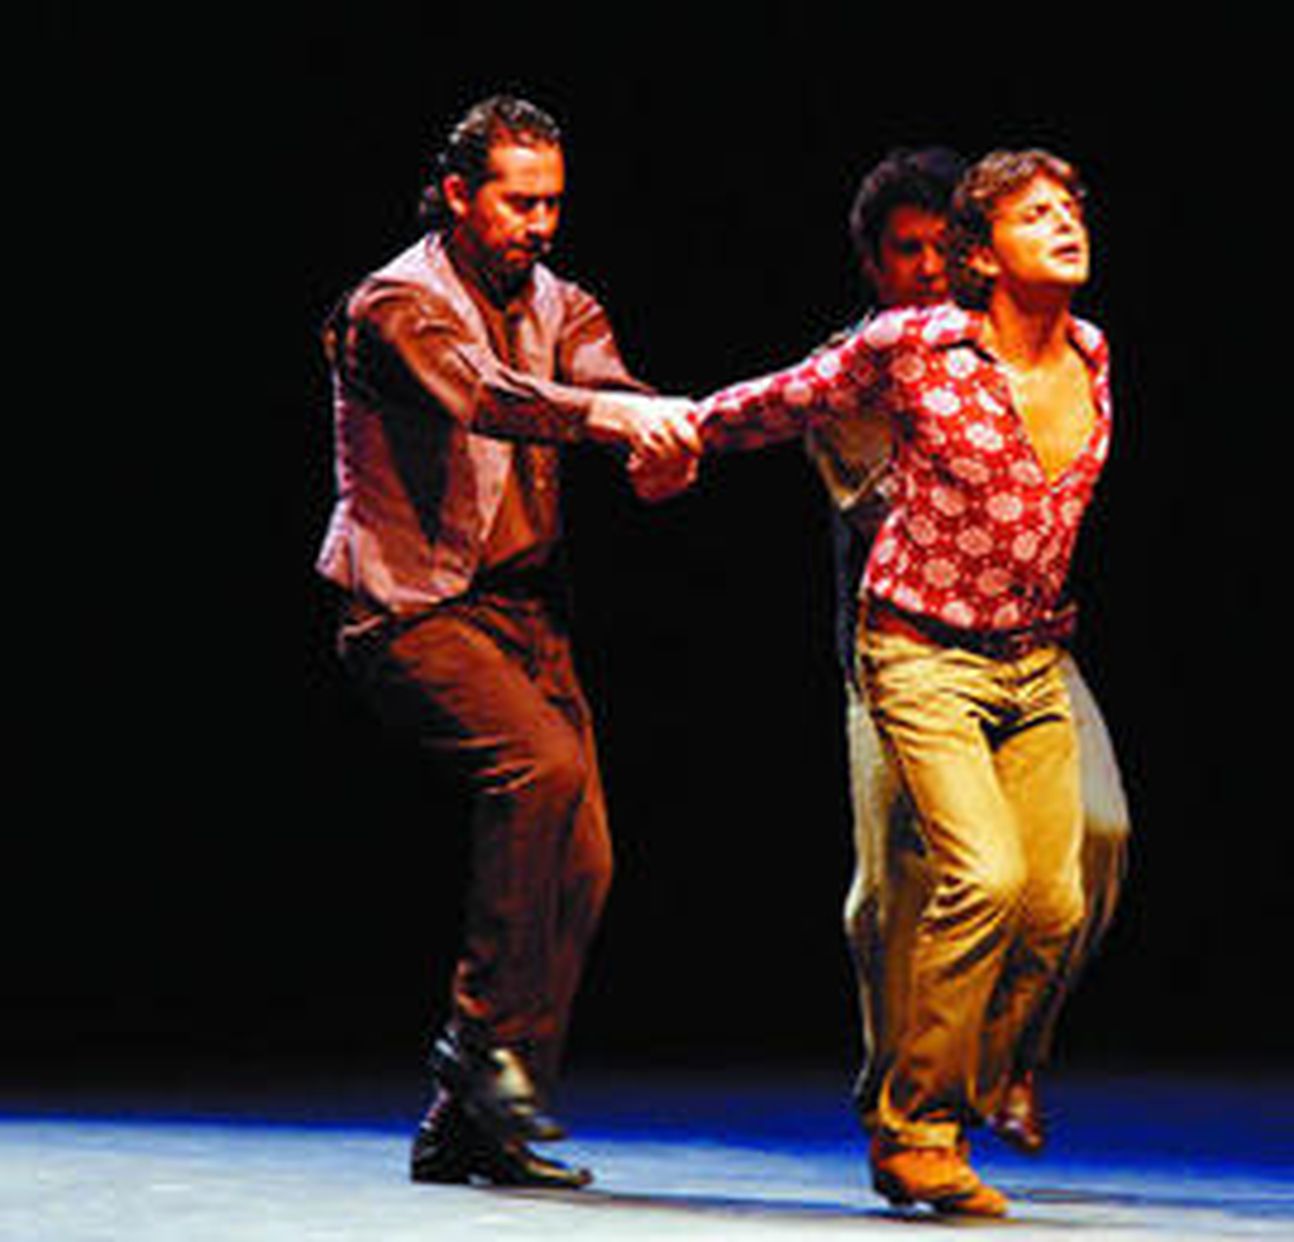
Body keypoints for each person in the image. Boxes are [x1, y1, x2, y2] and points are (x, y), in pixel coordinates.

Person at [639, 148, 1117, 1216]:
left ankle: (977, 1075)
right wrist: (680, 431)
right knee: (977, 878)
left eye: (1070, 208)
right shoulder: (909, 348)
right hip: (916, 652)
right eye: (1035, 214)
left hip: (1033, 660)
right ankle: (913, 1130)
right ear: (981, 256)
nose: (1065, 223)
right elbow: (783, 400)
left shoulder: (1093, 354)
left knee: (1054, 902)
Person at [315, 93, 696, 1189]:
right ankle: (479, 1043)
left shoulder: (563, 302)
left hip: (527, 614)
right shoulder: (395, 305)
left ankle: (468, 1125)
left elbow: (605, 385)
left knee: (584, 859)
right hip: (411, 608)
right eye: (519, 202)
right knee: (540, 769)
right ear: (457, 194)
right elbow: (481, 395)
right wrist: (609, 420)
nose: (540, 223)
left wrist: (653, 441)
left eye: (553, 203)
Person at [812, 149, 1132, 1164]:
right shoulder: (874, 367)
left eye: (938, 248)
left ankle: (1008, 1055)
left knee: (1095, 835)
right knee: (898, 888)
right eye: (903, 253)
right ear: (874, 265)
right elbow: (892, 512)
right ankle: (896, 1095)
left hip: (1029, 649)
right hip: (903, 652)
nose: (924, 269)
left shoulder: (1041, 351)